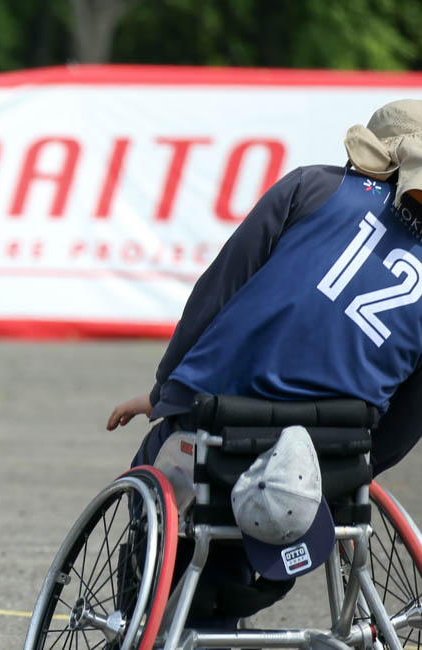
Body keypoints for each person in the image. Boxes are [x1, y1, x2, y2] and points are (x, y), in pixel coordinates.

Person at [105, 99, 422, 628]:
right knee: (282, 499)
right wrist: (351, 475)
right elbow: (408, 420)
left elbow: (217, 292)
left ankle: (155, 614)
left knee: (163, 468)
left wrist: (165, 394)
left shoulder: (312, 187)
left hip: (216, 432)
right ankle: (222, 604)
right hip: (323, 469)